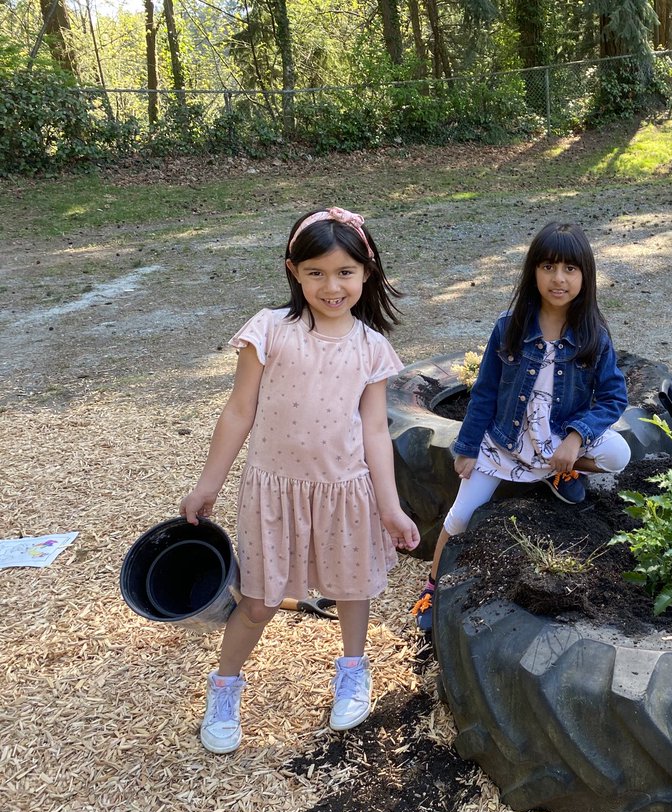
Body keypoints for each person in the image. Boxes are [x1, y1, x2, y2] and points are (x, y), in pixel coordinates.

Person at [181, 206, 420, 754]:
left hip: (345, 491)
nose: (331, 286)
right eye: (316, 272)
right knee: (260, 601)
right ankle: (224, 687)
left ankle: (353, 669)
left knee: (351, 587)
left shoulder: (371, 349)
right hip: (273, 491)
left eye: (344, 272)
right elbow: (239, 411)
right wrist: (207, 485)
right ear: (293, 270)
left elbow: (375, 432)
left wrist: (390, 506)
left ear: (367, 272)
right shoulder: (269, 331)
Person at [411, 222, 632, 635]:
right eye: (548, 266)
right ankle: (431, 589)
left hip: (557, 445)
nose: (559, 278)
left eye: (570, 268)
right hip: (505, 445)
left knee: (619, 454)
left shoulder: (593, 336)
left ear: (586, 276)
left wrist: (576, 437)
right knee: (459, 519)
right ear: (533, 272)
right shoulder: (510, 327)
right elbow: (486, 392)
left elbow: (613, 398)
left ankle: (562, 471)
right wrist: (468, 446)